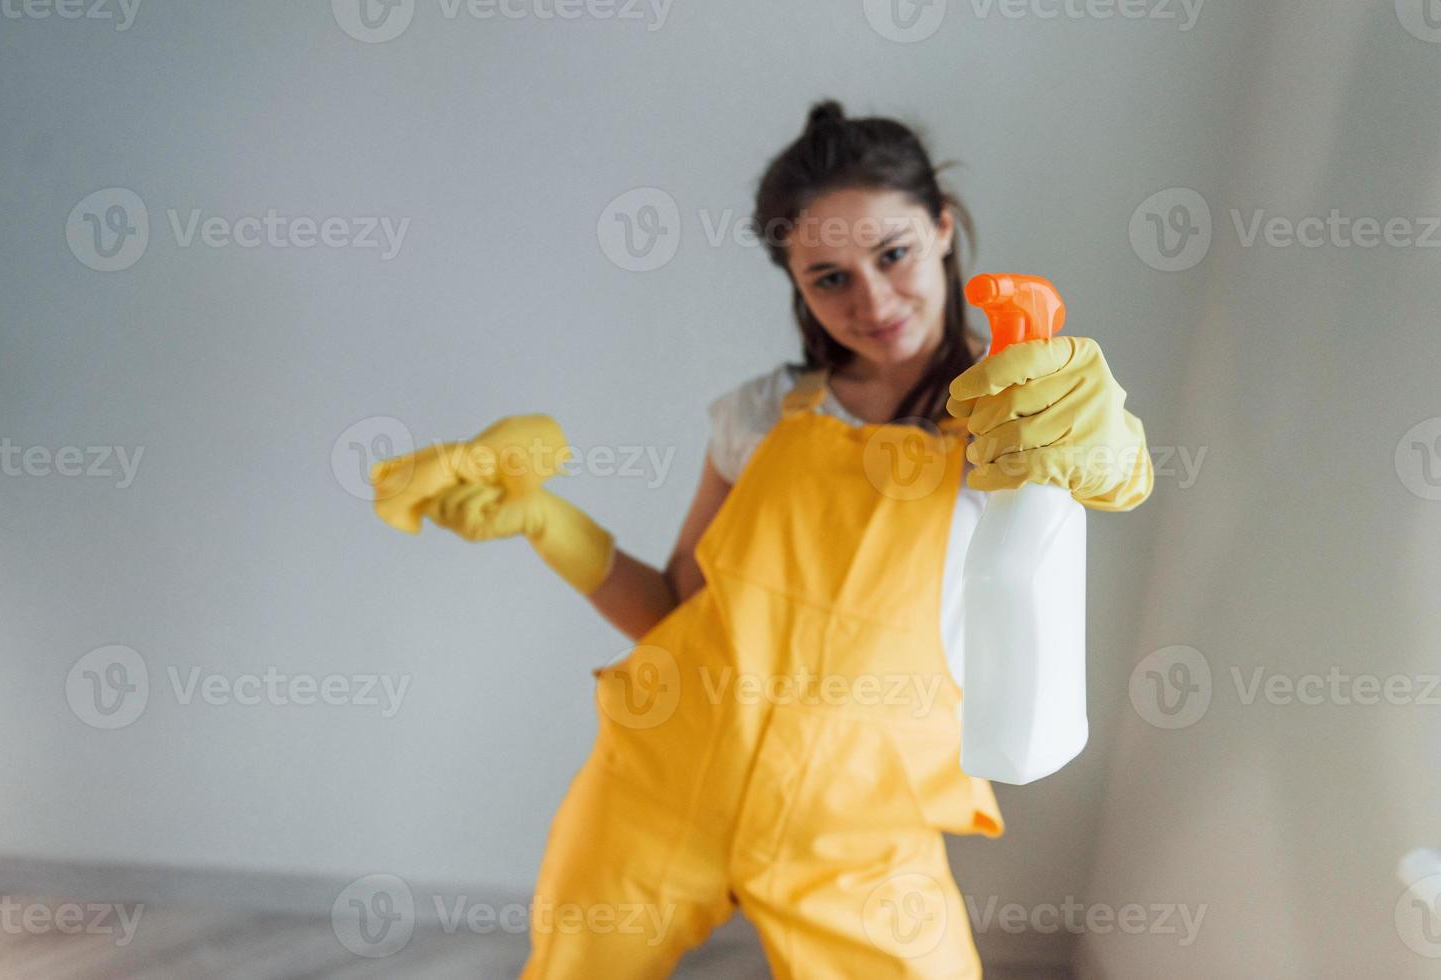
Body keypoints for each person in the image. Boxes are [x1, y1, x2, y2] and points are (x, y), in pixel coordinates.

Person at [371, 99, 1152, 979]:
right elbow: (671, 611)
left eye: (891, 254)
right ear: (796, 284)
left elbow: (1104, 483)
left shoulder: (1008, 416)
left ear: (940, 228)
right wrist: (545, 522)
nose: (872, 299)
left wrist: (1110, 447)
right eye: (828, 277)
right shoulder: (758, 416)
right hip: (664, 788)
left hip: (854, 825)